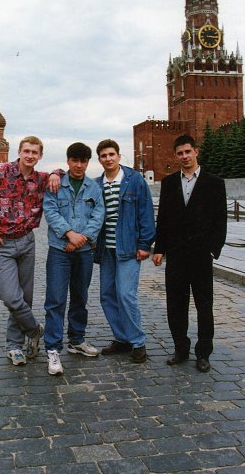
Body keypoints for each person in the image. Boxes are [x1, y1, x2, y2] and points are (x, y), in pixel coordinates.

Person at [0, 135, 60, 367]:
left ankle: (14, 345)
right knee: (10, 297)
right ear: (19, 152)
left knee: (24, 297)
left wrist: (55, 173)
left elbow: (63, 173)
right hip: (2, 244)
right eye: (26, 151)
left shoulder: (41, 179)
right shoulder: (0, 172)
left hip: (27, 242)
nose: (30, 156)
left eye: (34, 152)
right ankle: (35, 330)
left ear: (40, 156)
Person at [153, 135, 227, 373]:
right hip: (176, 255)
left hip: (201, 255)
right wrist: (160, 249)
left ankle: (203, 353)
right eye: (180, 153)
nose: (184, 156)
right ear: (176, 156)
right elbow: (163, 219)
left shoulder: (214, 183)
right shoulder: (169, 183)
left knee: (204, 306)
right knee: (176, 305)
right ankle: (180, 349)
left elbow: (220, 220)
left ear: (196, 151)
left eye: (188, 151)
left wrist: (213, 249)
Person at [43, 142, 105, 376]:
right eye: (75, 160)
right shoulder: (56, 184)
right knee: (56, 299)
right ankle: (52, 348)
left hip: (84, 251)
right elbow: (51, 212)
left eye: (83, 161)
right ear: (68, 161)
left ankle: (77, 340)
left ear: (88, 163)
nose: (79, 165)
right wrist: (69, 234)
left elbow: (99, 215)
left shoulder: (93, 187)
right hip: (59, 250)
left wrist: (82, 238)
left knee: (80, 296)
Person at [94, 139, 155, 364]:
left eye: (111, 154)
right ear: (99, 159)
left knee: (126, 295)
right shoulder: (97, 184)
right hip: (106, 250)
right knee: (107, 295)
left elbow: (146, 212)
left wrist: (145, 244)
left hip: (128, 248)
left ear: (119, 156)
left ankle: (138, 342)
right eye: (104, 156)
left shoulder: (134, 180)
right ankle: (122, 338)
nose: (108, 159)